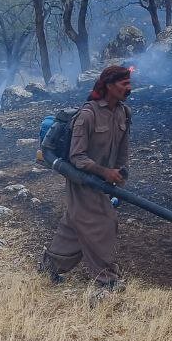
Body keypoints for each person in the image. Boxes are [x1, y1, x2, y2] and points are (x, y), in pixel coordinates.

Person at [40, 65, 133, 293]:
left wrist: (120, 173)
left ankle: (49, 266)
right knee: (102, 224)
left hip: (104, 181)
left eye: (129, 83)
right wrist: (103, 172)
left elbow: (123, 150)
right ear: (109, 86)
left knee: (75, 225)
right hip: (82, 181)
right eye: (124, 84)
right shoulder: (87, 115)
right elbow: (77, 157)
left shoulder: (124, 113)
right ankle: (106, 280)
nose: (128, 88)